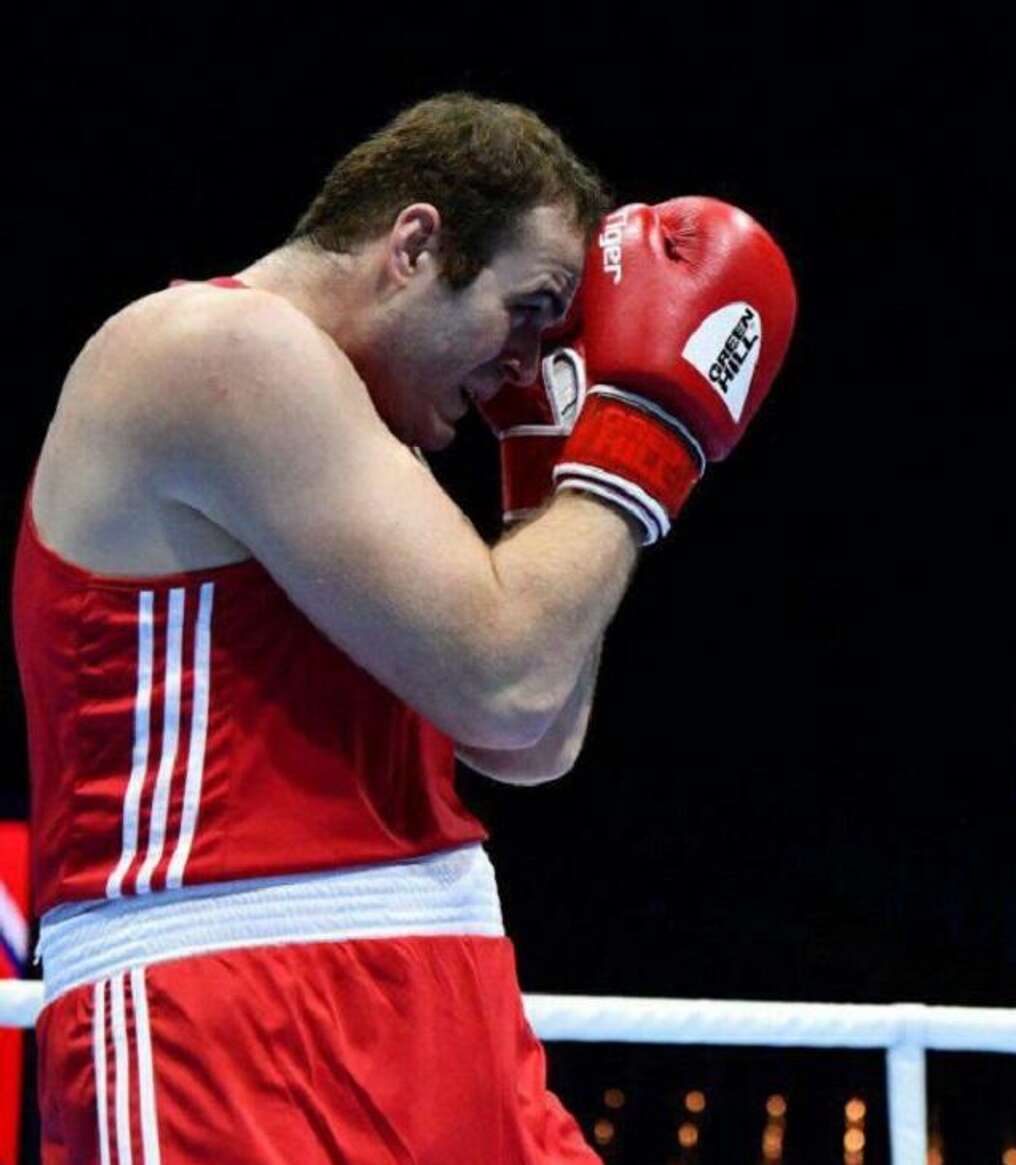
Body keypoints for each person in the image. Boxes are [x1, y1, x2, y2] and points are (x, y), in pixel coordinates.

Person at [16, 93, 796, 1162]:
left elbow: (531, 741)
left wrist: (541, 461)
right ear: (416, 244)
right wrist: (647, 434)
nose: (529, 361)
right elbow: (504, 681)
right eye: (531, 307)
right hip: (226, 1013)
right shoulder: (212, 346)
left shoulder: (363, 430)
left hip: (444, 985)